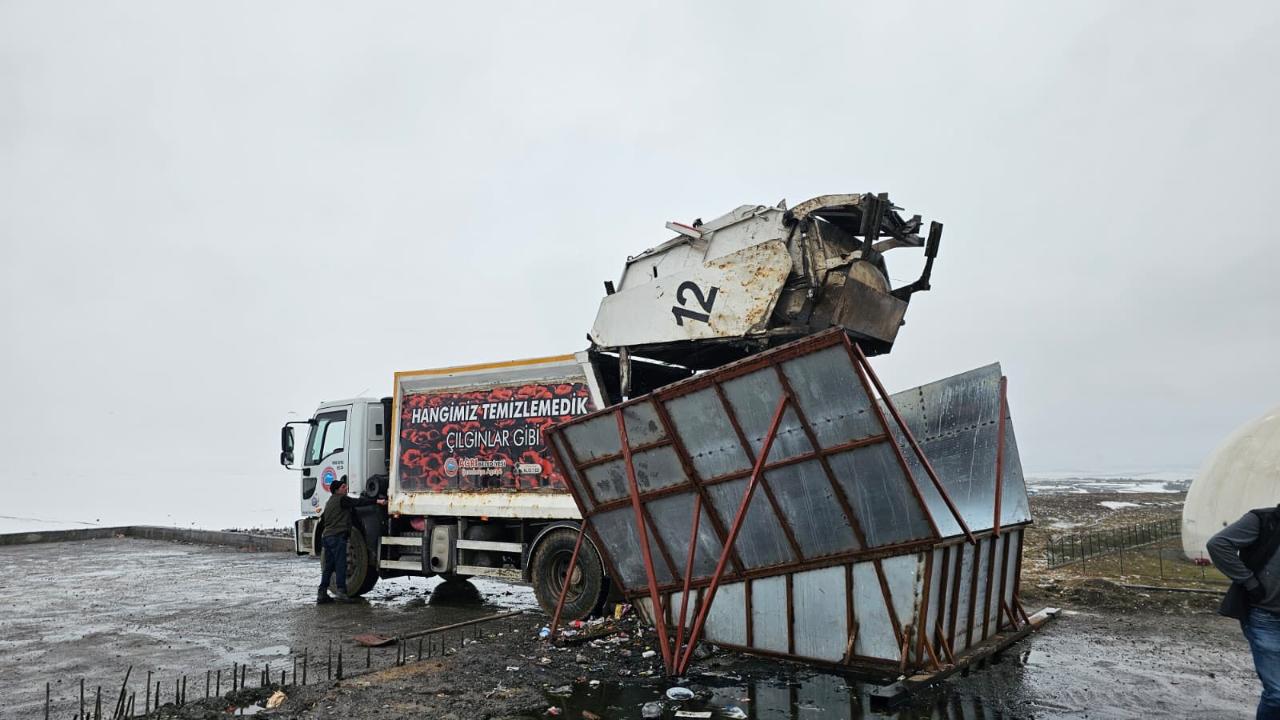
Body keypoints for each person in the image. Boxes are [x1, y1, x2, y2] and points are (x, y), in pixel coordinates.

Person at [1208, 505, 1280, 720]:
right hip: (1266, 617)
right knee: (1277, 693)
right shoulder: (1263, 520)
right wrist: (1250, 582)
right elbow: (1218, 544)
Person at [318, 477, 386, 604]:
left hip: (327, 538)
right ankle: (341, 592)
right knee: (340, 564)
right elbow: (359, 502)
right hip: (337, 537)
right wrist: (377, 501)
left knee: (329, 567)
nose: (346, 489)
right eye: (343, 487)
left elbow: (324, 520)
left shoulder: (329, 502)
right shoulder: (342, 499)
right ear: (337, 490)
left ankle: (322, 593)